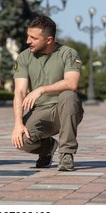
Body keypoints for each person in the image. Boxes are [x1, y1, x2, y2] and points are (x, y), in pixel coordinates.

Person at [11, 15, 84, 171]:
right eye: (28, 36)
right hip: (40, 111)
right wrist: (18, 123)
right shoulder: (24, 57)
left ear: (49, 40)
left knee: (69, 95)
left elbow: (72, 83)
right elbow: (20, 92)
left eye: (33, 38)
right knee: (22, 140)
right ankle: (48, 147)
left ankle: (66, 154)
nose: (27, 41)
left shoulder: (68, 53)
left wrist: (41, 89)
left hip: (65, 108)